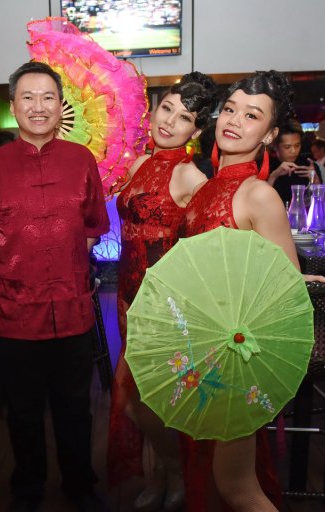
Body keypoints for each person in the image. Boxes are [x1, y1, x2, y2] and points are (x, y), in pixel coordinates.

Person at [182, 70, 325, 512]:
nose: (234, 120)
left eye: (252, 115)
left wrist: (300, 282)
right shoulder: (207, 188)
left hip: (235, 353)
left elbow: (285, 287)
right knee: (208, 473)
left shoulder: (258, 195)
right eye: (230, 109)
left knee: (237, 487)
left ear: (269, 134)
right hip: (202, 344)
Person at [0, 61, 110, 511]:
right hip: (15, 312)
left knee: (76, 407)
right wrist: (17, 274)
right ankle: (27, 488)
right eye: (28, 97)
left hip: (72, 308)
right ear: (13, 106)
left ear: (60, 106)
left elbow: (92, 227)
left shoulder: (81, 160)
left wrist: (65, 269)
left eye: (48, 97)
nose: (38, 106)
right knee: (23, 410)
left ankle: (79, 485)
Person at [107, 72, 216, 511]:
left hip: (164, 303)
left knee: (153, 398)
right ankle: (165, 472)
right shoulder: (136, 165)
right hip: (126, 297)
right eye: (166, 108)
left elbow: (211, 239)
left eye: (184, 117)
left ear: (197, 131)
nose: (169, 121)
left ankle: (177, 473)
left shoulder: (191, 176)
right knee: (137, 398)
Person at [266, 119, 322, 205]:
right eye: (287, 147)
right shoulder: (266, 166)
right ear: (275, 146)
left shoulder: (308, 166)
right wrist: (274, 176)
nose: (293, 151)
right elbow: (258, 202)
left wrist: (316, 182)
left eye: (297, 145)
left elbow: (320, 202)